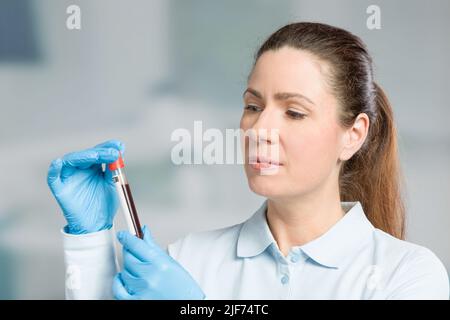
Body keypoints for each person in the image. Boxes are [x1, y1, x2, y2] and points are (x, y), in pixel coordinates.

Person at [47, 22, 449, 299]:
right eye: (253, 106)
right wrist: (90, 241)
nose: (259, 129)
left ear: (353, 135)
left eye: (294, 112)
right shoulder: (188, 259)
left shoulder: (407, 275)